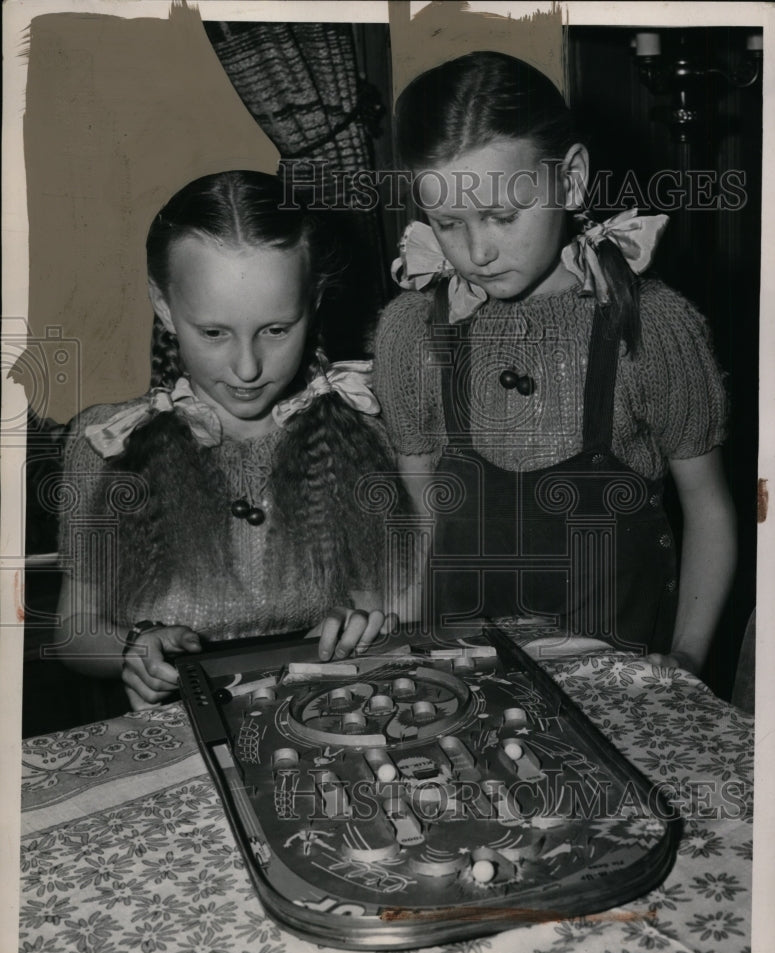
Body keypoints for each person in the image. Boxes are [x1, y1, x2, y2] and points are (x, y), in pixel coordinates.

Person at [373, 51, 736, 674]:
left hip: (619, 683)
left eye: (503, 216)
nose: (479, 251)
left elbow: (708, 510)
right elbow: (420, 520)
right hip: (468, 683)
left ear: (570, 179)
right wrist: (400, 650)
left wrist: (686, 661)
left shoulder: (653, 328)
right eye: (447, 223)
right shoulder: (412, 332)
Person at [54, 170, 407, 708]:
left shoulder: (361, 428)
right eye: (214, 333)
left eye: (275, 329)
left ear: (313, 301)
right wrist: (133, 647)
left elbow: (379, 601)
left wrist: (356, 624)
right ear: (165, 307)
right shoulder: (107, 443)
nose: (247, 368)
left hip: (318, 710)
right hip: (173, 725)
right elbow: (73, 631)